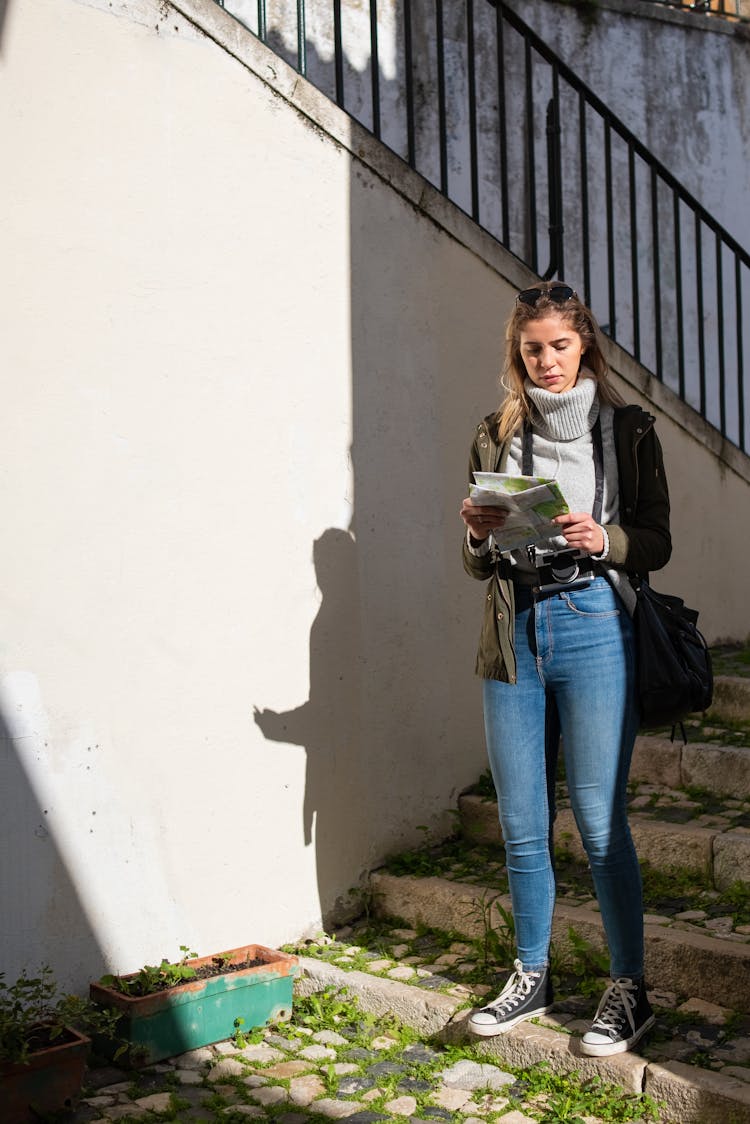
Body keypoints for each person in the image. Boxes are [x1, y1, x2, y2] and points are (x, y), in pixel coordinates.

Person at [459, 281, 671, 1057]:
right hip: (514, 631)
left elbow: (655, 540)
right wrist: (480, 534)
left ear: (584, 345)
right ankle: (532, 974)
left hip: (593, 626)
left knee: (598, 821)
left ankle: (629, 988)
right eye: (531, 349)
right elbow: (476, 561)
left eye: (559, 345)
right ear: (518, 354)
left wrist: (601, 539)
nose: (546, 362)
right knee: (521, 826)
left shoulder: (628, 430)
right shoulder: (494, 433)